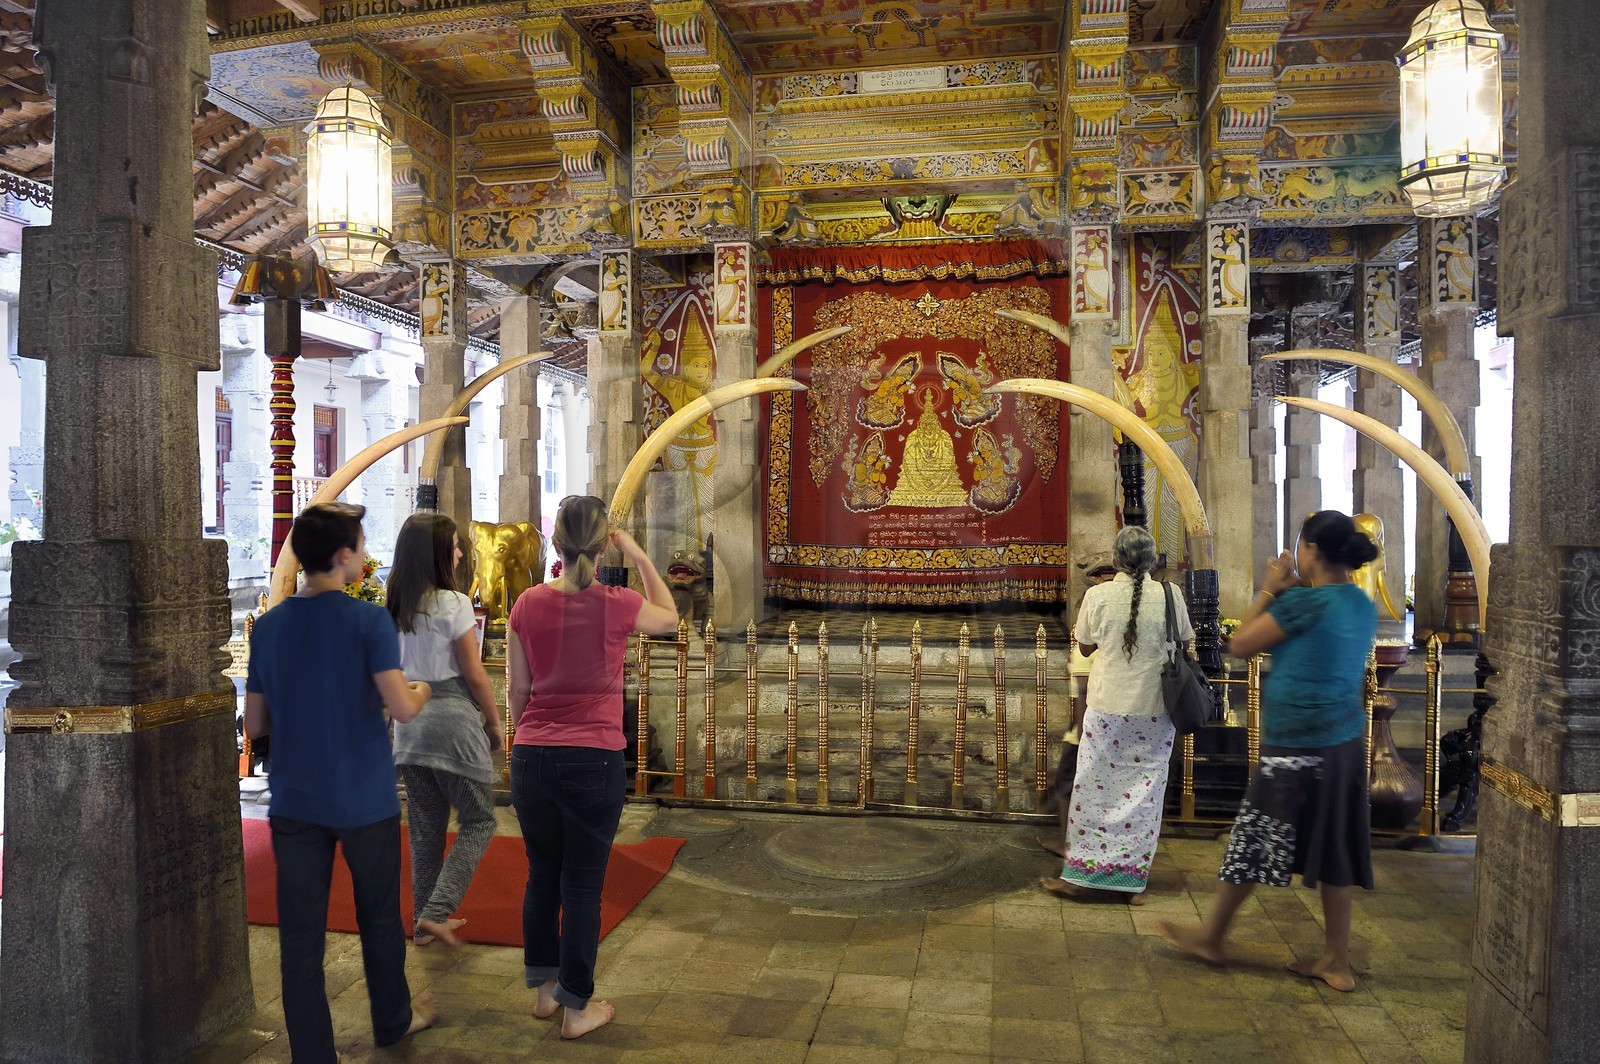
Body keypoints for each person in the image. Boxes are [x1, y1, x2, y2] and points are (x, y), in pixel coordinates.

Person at [243, 503, 437, 1063]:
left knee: (301, 937)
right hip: (364, 798)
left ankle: (313, 1055)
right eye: (361, 544)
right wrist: (423, 688)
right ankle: (392, 1021)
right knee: (378, 917)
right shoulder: (367, 621)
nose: (364, 552)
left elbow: (254, 724)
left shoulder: (271, 625)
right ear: (344, 555)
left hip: (296, 799)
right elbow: (403, 707)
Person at [1161, 510, 1379, 992]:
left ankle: (1211, 937)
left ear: (1312, 551)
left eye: (1300, 545)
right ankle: (1336, 961)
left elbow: (1240, 644)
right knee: (1335, 849)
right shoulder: (1359, 603)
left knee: (1251, 839)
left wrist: (1268, 590)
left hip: (1296, 743)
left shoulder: (1303, 604)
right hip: (1343, 744)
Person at [506, 496, 679, 1039]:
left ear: (555, 542)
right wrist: (640, 555)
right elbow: (670, 617)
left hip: (532, 755)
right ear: (604, 545)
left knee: (541, 876)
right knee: (581, 886)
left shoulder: (527, 602)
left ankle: (543, 995)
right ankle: (576, 1008)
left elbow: (517, 690)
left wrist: (531, 735)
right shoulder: (617, 602)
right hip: (592, 758)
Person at [1039, 525, 1189, 904]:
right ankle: (1132, 884)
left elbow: (1085, 646)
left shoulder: (1098, 596)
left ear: (1117, 560)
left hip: (1106, 709)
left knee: (1093, 794)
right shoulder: (1171, 595)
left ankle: (1081, 877)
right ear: (1152, 561)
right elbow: (1186, 640)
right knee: (1144, 796)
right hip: (1155, 711)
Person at [386, 513, 503, 949]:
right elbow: (473, 673)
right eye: (453, 545)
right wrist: (494, 721)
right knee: (479, 820)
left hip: (410, 729)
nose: (459, 553)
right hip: (451, 722)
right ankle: (437, 912)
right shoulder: (453, 602)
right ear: (436, 554)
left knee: (424, 830)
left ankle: (422, 924)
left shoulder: (394, 605)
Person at [1038, 557, 1118, 858]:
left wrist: (1081, 730)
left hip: (1088, 726)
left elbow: (1084, 689)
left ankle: (1069, 843)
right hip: (1106, 722)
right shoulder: (1109, 642)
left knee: (1066, 784)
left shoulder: (1089, 647)